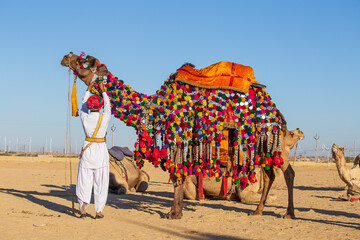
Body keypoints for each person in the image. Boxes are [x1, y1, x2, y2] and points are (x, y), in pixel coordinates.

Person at [76, 81, 111, 219]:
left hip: (88, 151)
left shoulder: (84, 117)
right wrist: (103, 90)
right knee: (101, 183)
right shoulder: (105, 117)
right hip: (101, 152)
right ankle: (99, 211)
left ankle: (83, 208)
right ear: (100, 106)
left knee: (84, 181)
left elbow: (83, 107)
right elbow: (108, 106)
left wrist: (88, 89)